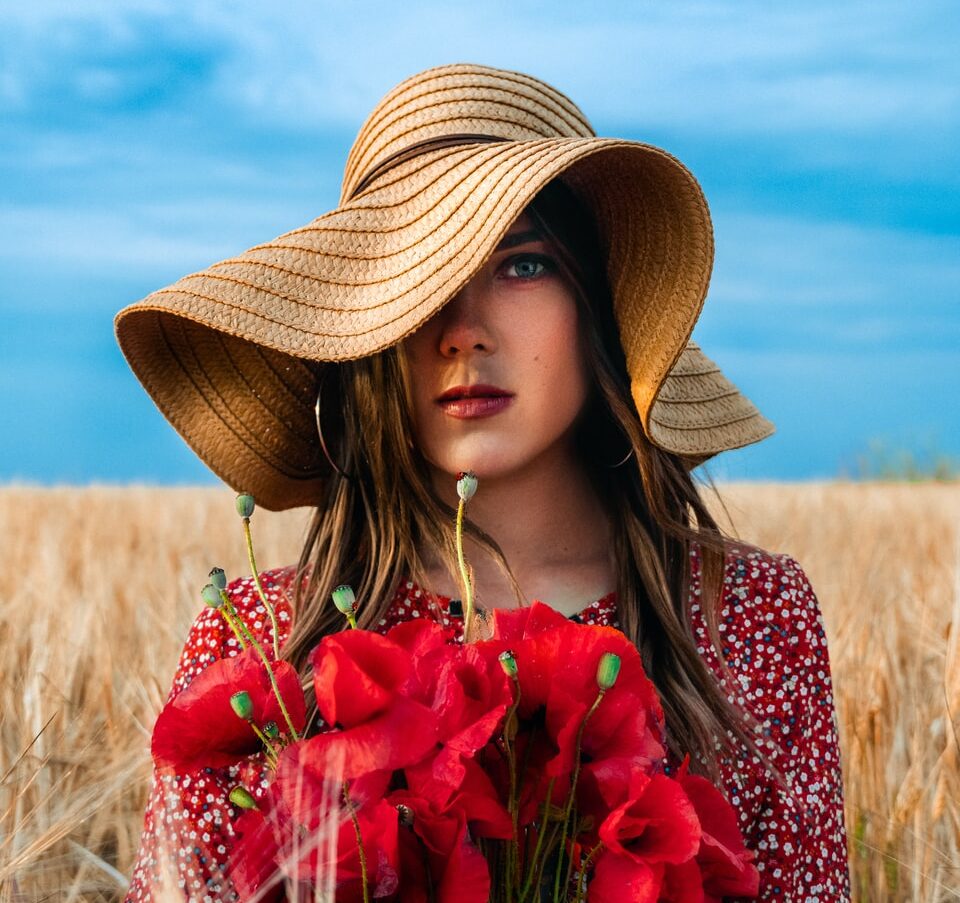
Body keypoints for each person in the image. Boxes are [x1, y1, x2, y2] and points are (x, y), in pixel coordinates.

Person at [115, 63, 850, 900]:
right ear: (367, 335)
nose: (463, 332)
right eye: (417, 283)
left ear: (598, 306)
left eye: (523, 265)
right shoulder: (257, 647)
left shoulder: (750, 615)